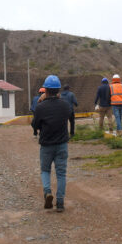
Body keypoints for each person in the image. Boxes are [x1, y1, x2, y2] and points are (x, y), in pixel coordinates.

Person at [32, 74, 74, 212]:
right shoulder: (65, 105)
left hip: (46, 145)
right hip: (62, 144)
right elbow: (69, 116)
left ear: (46, 90)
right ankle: (60, 203)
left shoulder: (40, 107)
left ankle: (47, 192)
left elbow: (35, 125)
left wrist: (41, 103)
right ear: (58, 90)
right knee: (61, 173)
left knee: (45, 170)